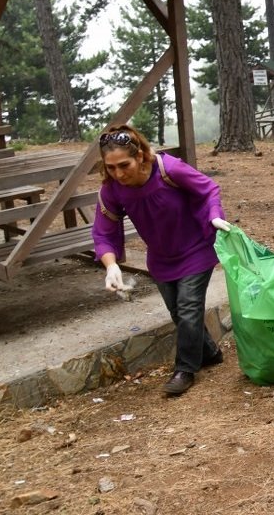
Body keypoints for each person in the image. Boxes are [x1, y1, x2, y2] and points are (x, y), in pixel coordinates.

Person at [92, 124, 229, 395]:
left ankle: (185, 370)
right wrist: (111, 266)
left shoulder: (169, 169)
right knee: (179, 313)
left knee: (189, 308)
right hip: (161, 258)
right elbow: (103, 232)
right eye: (111, 167)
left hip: (196, 248)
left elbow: (208, 189)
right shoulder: (112, 190)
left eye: (124, 165)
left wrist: (214, 215)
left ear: (140, 156)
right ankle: (211, 353)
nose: (118, 173)